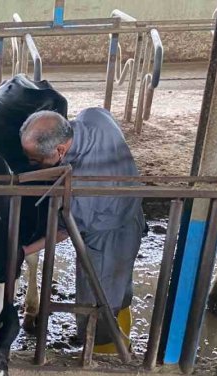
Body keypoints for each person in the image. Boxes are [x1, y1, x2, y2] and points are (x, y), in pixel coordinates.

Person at [19, 108, 146, 354]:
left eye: (35, 160)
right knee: (121, 291)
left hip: (105, 242)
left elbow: (64, 231)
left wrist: (23, 250)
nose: (32, 164)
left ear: (60, 151)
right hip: (132, 219)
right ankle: (122, 336)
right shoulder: (94, 117)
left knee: (98, 305)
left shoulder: (84, 187)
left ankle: (106, 358)